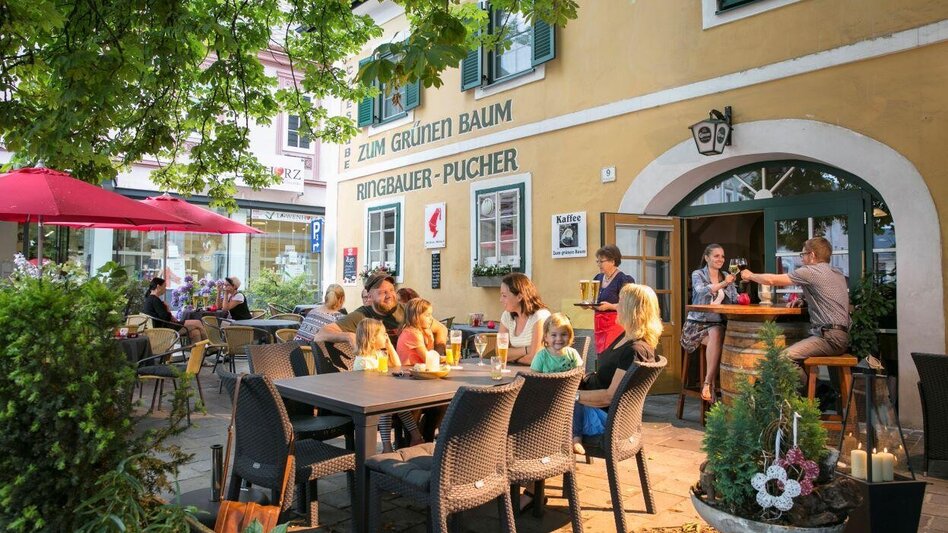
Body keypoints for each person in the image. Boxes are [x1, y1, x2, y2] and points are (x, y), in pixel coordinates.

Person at [573, 284, 662, 454]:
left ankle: (533, 465)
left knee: (544, 411)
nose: (616, 306)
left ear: (632, 310)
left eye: (620, 302)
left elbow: (610, 396)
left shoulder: (635, 350)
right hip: (594, 407)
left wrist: (572, 396)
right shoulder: (627, 337)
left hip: (603, 419)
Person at [740, 237, 851, 372]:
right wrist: (803, 300)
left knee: (782, 358)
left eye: (803, 254)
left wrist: (750, 275)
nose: (802, 259)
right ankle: (817, 389)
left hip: (829, 338)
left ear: (812, 255)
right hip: (842, 336)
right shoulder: (837, 273)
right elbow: (828, 296)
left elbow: (771, 280)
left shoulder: (810, 271)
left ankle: (801, 392)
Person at [315, 271, 447, 357]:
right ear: (369, 296)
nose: (389, 295)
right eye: (382, 292)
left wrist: (439, 355)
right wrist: (349, 336)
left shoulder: (408, 310)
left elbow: (441, 328)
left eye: (391, 290)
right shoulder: (362, 316)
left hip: (413, 372)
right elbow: (321, 335)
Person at [352, 319, 421, 452]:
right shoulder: (364, 361)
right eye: (383, 334)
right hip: (366, 399)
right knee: (386, 408)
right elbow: (366, 386)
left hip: (380, 395)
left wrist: (389, 346)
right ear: (372, 339)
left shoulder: (378, 354)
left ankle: (414, 436)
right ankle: (387, 446)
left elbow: (396, 365)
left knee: (400, 405)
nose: (386, 336)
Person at [680, 244, 738, 401]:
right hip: (695, 325)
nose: (721, 259)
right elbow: (701, 291)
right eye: (716, 256)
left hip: (716, 324)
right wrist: (724, 283)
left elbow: (733, 299)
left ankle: (712, 386)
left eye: (723, 256)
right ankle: (708, 384)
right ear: (707, 258)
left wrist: (741, 292)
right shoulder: (698, 274)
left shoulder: (725, 274)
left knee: (719, 333)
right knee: (717, 334)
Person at [590, 245, 636, 354]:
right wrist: (590, 305)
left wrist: (610, 306)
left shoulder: (623, 279)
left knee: (611, 354)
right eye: (598, 261)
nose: (599, 264)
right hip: (599, 322)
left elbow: (627, 305)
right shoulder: (598, 278)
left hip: (615, 323)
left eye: (601, 261)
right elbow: (595, 300)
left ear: (612, 261)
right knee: (600, 354)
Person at [498, 272, 551, 366]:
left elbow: (535, 359)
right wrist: (527, 349)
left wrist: (512, 358)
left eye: (504, 295)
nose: (500, 300)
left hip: (540, 376)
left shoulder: (540, 316)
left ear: (519, 297)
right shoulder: (507, 316)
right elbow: (499, 353)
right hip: (516, 372)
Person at [142, 277, 207, 344]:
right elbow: (166, 318)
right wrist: (167, 309)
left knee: (195, 332)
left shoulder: (149, 299)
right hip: (165, 329)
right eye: (164, 286)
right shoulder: (155, 300)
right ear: (158, 286)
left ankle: (197, 354)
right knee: (197, 322)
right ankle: (211, 346)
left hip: (162, 327)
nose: (165, 289)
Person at [396, 298, 436, 366]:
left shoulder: (411, 330)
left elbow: (429, 355)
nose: (431, 318)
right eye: (427, 315)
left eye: (431, 315)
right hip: (408, 372)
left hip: (414, 370)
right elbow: (429, 361)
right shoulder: (412, 333)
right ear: (416, 317)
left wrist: (430, 340)